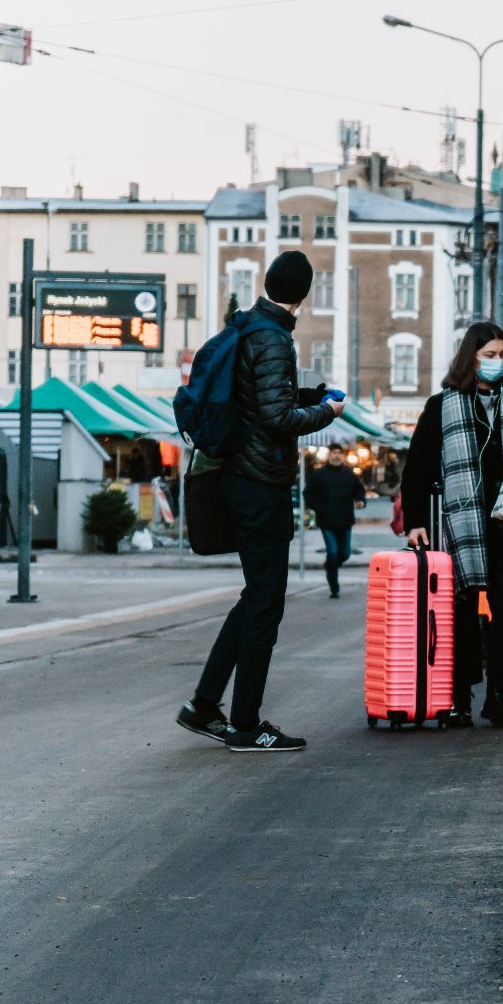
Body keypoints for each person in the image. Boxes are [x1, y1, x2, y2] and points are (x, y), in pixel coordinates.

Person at [178, 250, 346, 753]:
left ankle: (205, 705)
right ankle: (245, 725)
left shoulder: (247, 328)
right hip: (259, 486)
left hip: (239, 479)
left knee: (255, 596)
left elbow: (260, 403)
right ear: (304, 294)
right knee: (266, 602)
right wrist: (326, 412)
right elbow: (276, 420)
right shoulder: (273, 339)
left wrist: (307, 394)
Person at [402, 321, 503, 728]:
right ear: (470, 357)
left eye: (501, 355)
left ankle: (496, 694)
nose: (496, 362)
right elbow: (417, 467)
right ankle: (460, 697)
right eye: (488, 355)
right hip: (464, 526)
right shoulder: (443, 404)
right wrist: (416, 521)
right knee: (461, 613)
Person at [304, 447, 367, 598]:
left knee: (345, 553)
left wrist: (360, 500)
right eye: (334, 453)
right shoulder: (319, 475)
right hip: (327, 521)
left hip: (345, 520)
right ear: (329, 455)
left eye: (339, 453)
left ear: (343, 456)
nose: (336, 456)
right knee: (332, 552)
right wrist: (321, 509)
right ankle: (334, 587)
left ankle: (329, 567)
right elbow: (308, 494)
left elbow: (359, 489)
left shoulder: (349, 474)